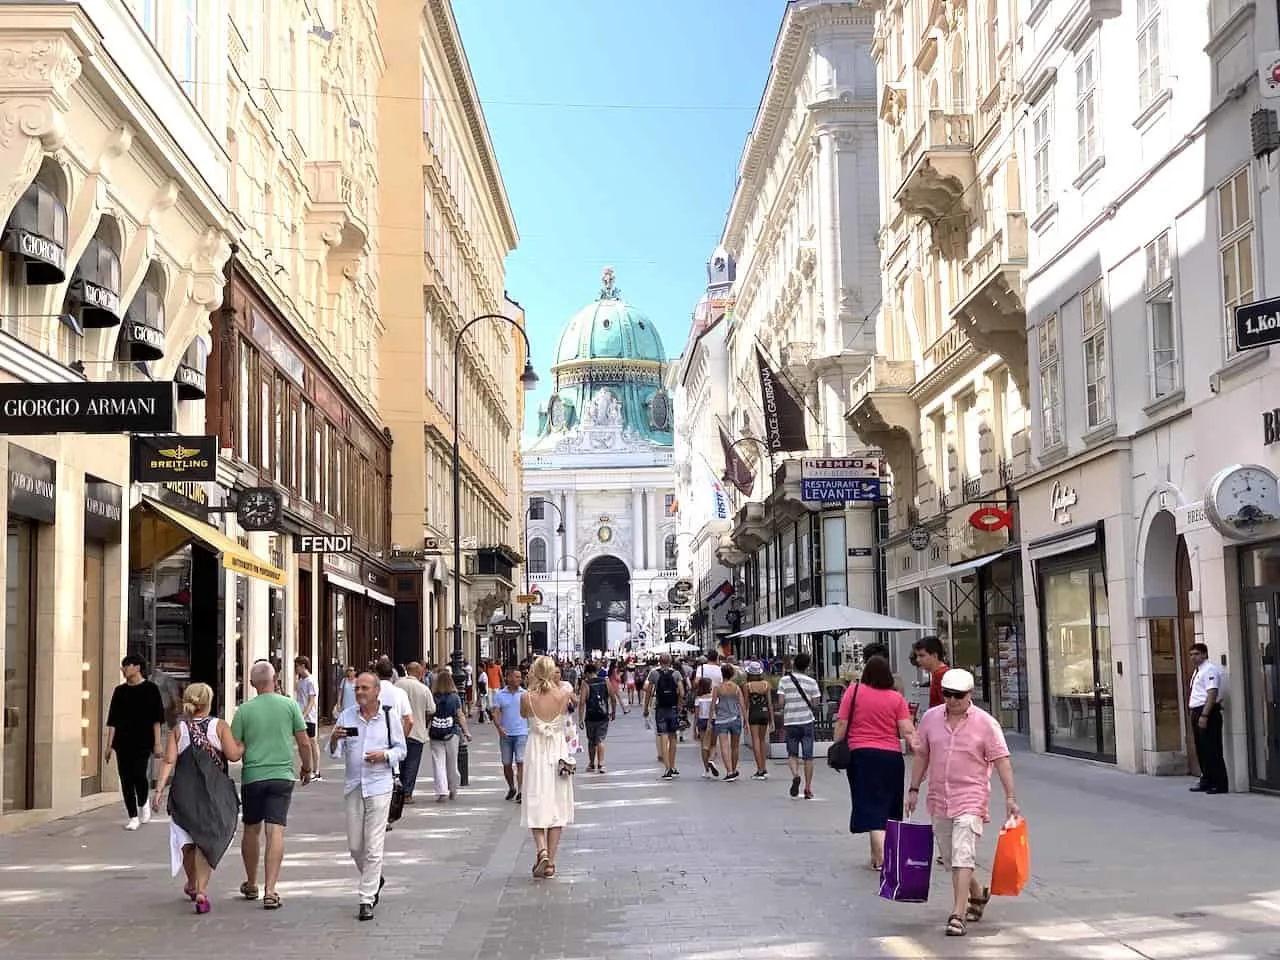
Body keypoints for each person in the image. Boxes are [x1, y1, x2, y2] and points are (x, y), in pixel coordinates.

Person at [907, 667, 1019, 938]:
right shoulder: (931, 719)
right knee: (949, 857)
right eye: (947, 694)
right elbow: (922, 754)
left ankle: (957, 914)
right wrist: (912, 788)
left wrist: (1010, 797)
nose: (952, 700)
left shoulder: (985, 723)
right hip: (939, 797)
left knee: (963, 854)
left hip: (971, 796)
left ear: (970, 694)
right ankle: (978, 893)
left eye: (958, 695)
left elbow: (1001, 760)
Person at [151, 682, 243, 915]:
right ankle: (201, 889)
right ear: (208, 702)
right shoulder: (219, 726)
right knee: (207, 839)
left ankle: (191, 883)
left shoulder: (179, 730)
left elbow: (169, 761)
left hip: (183, 791)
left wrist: (159, 789)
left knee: (186, 840)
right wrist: (242, 746)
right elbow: (232, 756)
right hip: (212, 793)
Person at [230, 660, 312, 909]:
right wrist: (307, 768)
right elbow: (304, 741)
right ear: (275, 679)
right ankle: (271, 889)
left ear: (252, 683)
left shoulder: (243, 710)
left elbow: (234, 749)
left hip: (253, 776)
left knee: (252, 829)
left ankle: (251, 882)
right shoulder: (289, 705)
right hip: (281, 776)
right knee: (275, 829)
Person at [330, 671, 407, 920]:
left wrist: (384, 756)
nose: (360, 692)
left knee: (374, 846)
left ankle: (366, 898)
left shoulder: (388, 717)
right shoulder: (346, 716)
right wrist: (333, 739)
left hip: (379, 785)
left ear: (376, 691)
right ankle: (375, 878)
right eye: (357, 688)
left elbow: (401, 751)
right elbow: (335, 754)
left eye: (364, 688)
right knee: (355, 846)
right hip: (354, 786)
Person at [834, 655, 916, 870]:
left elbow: (842, 723)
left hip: (862, 755)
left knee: (870, 804)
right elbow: (907, 729)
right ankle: (875, 855)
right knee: (888, 806)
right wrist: (922, 752)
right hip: (891, 758)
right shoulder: (896, 698)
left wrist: (837, 743)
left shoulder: (854, 691)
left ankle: (882, 857)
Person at [520, 655, 576, 880]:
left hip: (536, 751)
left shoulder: (527, 697)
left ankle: (541, 850)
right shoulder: (564, 694)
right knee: (557, 805)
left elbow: (524, 715)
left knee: (535, 799)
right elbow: (569, 709)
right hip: (558, 751)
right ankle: (551, 862)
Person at [104, 654, 165, 830]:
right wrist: (109, 745)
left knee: (139, 774)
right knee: (125, 778)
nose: (124, 669)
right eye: (123, 666)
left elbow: (156, 719)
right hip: (122, 742)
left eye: (127, 666)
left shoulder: (151, 689)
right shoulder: (119, 691)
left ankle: (143, 802)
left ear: (137, 667)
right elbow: (113, 720)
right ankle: (132, 816)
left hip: (143, 740)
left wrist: (157, 743)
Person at [778, 651, 822, 800]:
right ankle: (808, 788)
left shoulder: (784, 681)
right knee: (808, 757)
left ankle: (796, 775)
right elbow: (816, 703)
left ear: (794, 664)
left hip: (791, 721)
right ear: (807, 666)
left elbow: (781, 702)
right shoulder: (812, 682)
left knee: (792, 753)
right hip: (807, 721)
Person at [1188, 642, 1229, 793]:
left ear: (1204, 654)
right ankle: (1207, 780)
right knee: (1202, 749)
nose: (1193, 657)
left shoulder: (1209, 669)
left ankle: (1220, 784)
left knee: (1212, 749)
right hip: (1196, 711)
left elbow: (1212, 693)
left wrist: (1205, 715)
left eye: (1197, 654)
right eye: (1191, 654)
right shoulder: (1198, 671)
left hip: (1207, 712)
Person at [394, 662, 436, 804]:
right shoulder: (423, 689)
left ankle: (395, 791)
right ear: (420, 673)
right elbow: (431, 709)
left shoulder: (397, 686)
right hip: (417, 732)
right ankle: (407, 794)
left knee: (398, 763)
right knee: (412, 763)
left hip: (398, 731)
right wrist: (424, 722)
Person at [429, 668, 472, 801]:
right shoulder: (455, 697)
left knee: (438, 763)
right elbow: (460, 716)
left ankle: (442, 791)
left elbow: (429, 714)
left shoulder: (433, 696)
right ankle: (453, 788)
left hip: (435, 733)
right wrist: (466, 732)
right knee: (452, 763)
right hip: (451, 733)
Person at [643, 653, 686, 780]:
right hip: (672, 707)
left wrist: (646, 708)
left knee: (663, 735)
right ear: (671, 661)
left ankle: (667, 768)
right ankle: (673, 766)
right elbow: (682, 692)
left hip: (660, 708)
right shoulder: (676, 673)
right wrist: (679, 706)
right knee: (673, 737)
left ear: (659, 661)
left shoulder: (654, 673)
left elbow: (649, 692)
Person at [493, 667, 529, 802]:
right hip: (506, 734)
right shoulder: (500, 695)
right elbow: (496, 712)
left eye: (520, 677)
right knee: (507, 763)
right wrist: (499, 727)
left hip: (521, 733)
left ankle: (521, 791)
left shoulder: (525, 694)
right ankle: (511, 787)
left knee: (520, 762)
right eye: (516, 676)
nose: (519, 679)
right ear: (508, 678)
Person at [579, 666, 622, 773]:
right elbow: (613, 698)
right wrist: (613, 712)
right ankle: (601, 764)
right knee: (600, 740)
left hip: (590, 717)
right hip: (603, 716)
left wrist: (580, 719)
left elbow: (582, 703)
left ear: (587, 673)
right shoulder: (605, 682)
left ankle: (591, 763)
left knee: (591, 741)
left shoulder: (586, 684)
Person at [710, 663, 747, 781]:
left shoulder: (718, 688)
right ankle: (734, 769)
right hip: (735, 718)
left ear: (722, 674)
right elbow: (742, 705)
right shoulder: (736, 688)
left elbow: (713, 705)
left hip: (721, 720)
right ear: (732, 674)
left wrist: (710, 720)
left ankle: (729, 771)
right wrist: (746, 721)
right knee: (735, 747)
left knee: (724, 746)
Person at [742, 661, 775, 780]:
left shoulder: (747, 686)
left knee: (755, 740)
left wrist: (744, 721)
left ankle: (759, 769)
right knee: (762, 740)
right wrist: (772, 720)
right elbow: (770, 703)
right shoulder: (766, 684)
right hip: (765, 712)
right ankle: (764, 767)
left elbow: (746, 704)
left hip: (754, 713)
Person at [293, 657, 322, 782]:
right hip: (300, 715)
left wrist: (304, 715)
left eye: (297, 666)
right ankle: (308, 768)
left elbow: (311, 700)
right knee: (303, 743)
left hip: (309, 717)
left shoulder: (311, 681)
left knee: (312, 742)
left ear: (303, 666)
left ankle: (316, 770)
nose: (296, 669)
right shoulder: (300, 681)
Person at [912, 636, 949, 709]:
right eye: (917, 656)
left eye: (922, 655)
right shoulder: (938, 674)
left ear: (935, 656)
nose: (918, 660)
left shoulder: (942, 675)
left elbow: (948, 706)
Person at [694, 678, 719, 778]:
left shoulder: (698, 698)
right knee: (713, 744)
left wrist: (694, 729)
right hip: (713, 720)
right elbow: (717, 710)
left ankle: (706, 770)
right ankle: (711, 760)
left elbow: (696, 715)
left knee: (704, 746)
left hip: (701, 721)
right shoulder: (714, 698)